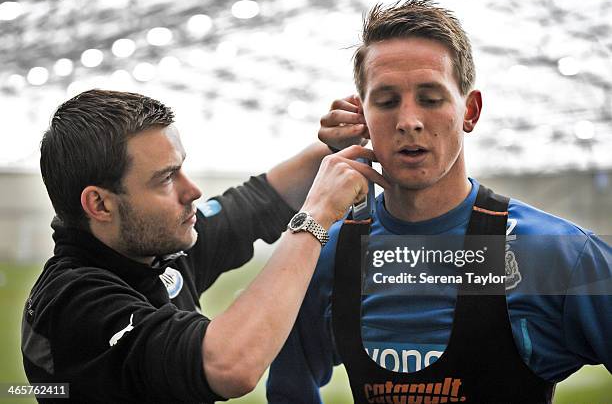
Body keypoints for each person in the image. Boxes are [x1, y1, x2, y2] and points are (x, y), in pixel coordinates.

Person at [267, 0, 612, 404]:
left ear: (470, 110)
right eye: (386, 100)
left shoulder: (556, 253)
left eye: (431, 99)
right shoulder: (330, 255)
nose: (408, 120)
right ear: (362, 116)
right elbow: (289, 386)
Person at [21, 89, 389, 403]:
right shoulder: (73, 305)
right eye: (166, 178)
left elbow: (259, 200)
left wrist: (334, 147)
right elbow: (228, 365)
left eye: (181, 167)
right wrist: (316, 217)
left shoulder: (149, 248)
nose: (192, 190)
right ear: (100, 205)